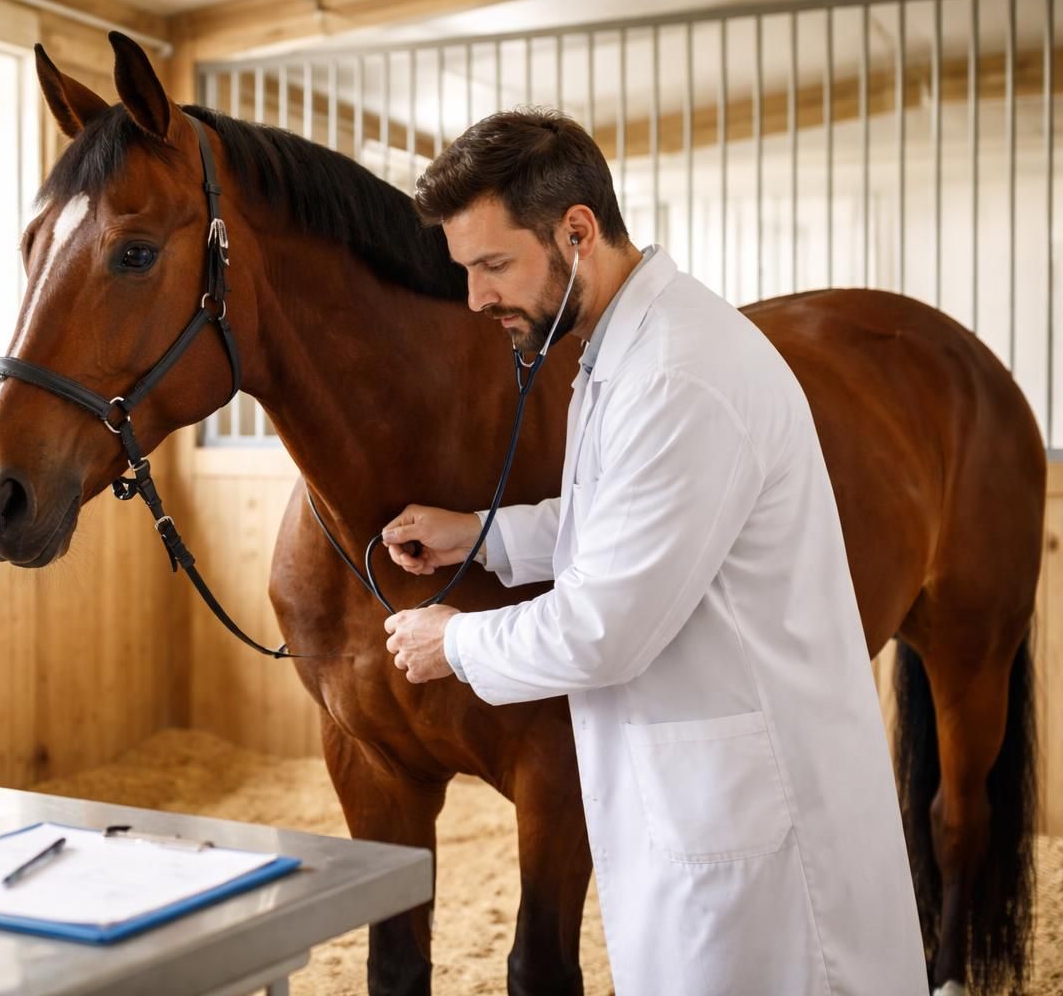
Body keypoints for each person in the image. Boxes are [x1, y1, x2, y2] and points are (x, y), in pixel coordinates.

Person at [380, 111, 926, 993]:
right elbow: (618, 518)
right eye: (467, 271)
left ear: (577, 232)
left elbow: (603, 628)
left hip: (759, 839)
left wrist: (456, 641)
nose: (476, 299)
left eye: (493, 266)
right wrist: (481, 532)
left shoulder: (678, 371)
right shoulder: (623, 349)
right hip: (702, 804)